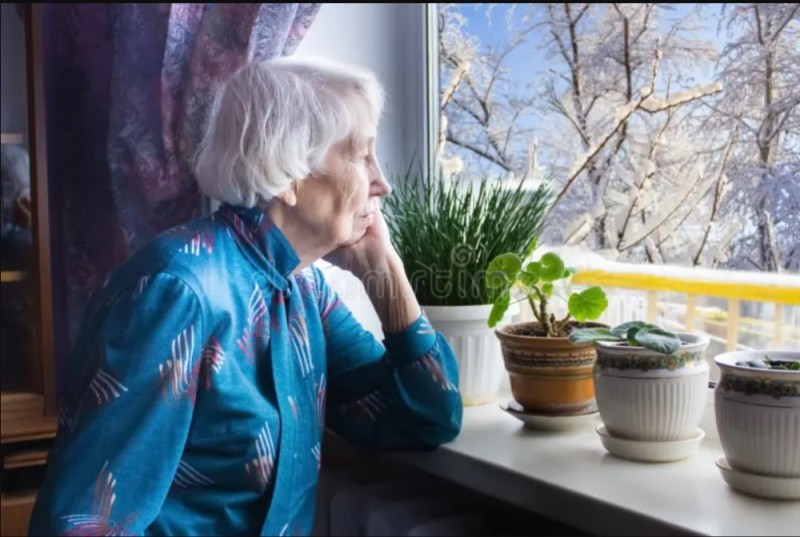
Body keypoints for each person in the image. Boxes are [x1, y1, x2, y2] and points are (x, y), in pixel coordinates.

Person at [29, 57, 463, 536]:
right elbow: (83, 522)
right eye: (361, 156)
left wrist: (386, 271)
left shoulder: (304, 289)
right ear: (292, 171)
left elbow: (427, 419)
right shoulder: (177, 290)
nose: (382, 183)